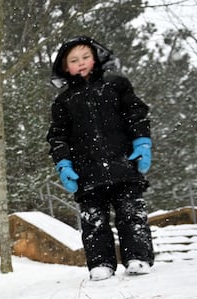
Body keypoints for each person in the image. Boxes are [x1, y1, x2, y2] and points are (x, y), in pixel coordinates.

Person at [46, 35, 154, 281]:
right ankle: (101, 263)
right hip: (87, 173)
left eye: (85, 57)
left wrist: (142, 142)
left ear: (95, 57)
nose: (81, 63)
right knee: (94, 221)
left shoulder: (116, 85)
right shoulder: (63, 102)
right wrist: (64, 164)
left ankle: (137, 256)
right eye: (74, 60)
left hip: (123, 165)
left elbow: (136, 114)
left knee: (131, 214)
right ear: (65, 68)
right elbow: (58, 137)